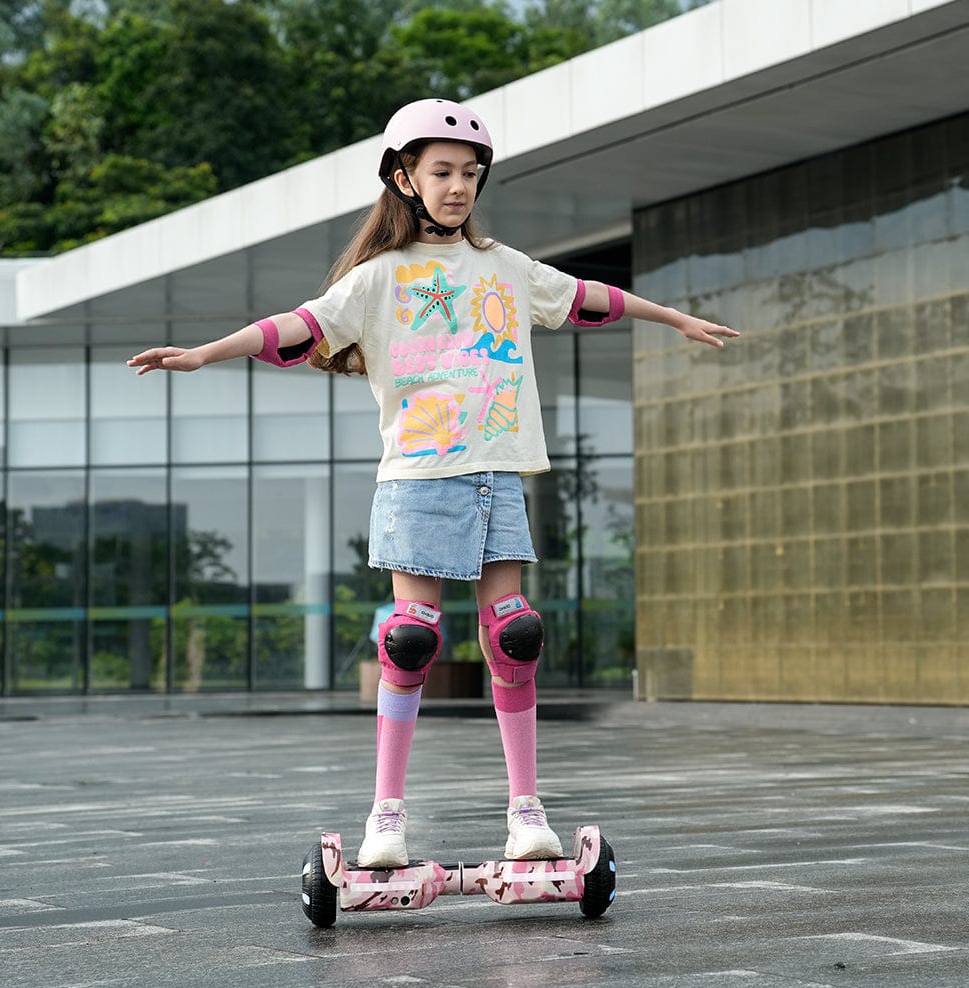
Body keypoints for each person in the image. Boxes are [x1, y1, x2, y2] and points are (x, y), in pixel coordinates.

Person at [128, 98, 739, 868]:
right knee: (411, 641)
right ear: (404, 178)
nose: (459, 186)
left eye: (471, 173)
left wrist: (675, 319)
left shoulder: (505, 268)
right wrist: (204, 353)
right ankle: (386, 815)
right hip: (418, 480)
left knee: (515, 635)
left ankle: (527, 811)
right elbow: (298, 326)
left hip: (495, 475)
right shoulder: (378, 279)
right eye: (443, 171)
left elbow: (587, 295)